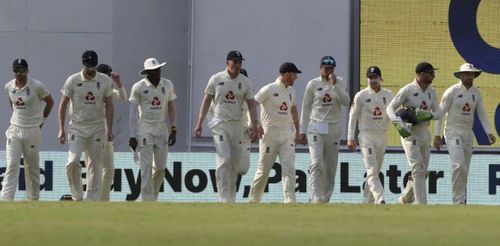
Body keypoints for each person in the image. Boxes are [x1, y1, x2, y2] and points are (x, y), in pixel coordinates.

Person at [194, 51, 258, 203]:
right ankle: (223, 199)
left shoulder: (246, 82)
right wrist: (199, 123)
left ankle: (231, 199)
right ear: (227, 62)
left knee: (234, 164)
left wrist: (254, 126)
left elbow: (251, 106)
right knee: (225, 158)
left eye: (239, 62)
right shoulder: (216, 79)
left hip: (237, 126)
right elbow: (206, 102)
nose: (236, 65)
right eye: (234, 62)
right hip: (221, 124)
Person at [433, 63, 496, 204]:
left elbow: (482, 114)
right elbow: (440, 114)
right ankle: (458, 200)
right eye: (467, 74)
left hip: (468, 133)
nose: (469, 76)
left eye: (471, 74)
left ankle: (462, 199)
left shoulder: (476, 93)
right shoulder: (451, 92)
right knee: (459, 165)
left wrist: (489, 132)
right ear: (460, 75)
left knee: (465, 168)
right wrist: (437, 135)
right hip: (452, 131)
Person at [58, 50, 114, 201]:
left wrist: (109, 129)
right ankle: (77, 196)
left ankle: (92, 200)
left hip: (97, 128)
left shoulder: (105, 81)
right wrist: (61, 130)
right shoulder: (73, 80)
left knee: (95, 166)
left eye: (93, 66)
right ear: (83, 64)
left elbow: (109, 106)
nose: (90, 69)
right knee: (73, 161)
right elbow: (63, 105)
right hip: (77, 127)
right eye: (88, 66)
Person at [386, 62, 442, 204]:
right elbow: (390, 108)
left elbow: (439, 112)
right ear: (421, 74)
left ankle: (404, 198)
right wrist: (397, 123)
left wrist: (427, 115)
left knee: (423, 171)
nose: (434, 75)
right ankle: (421, 203)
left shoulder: (431, 92)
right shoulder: (408, 90)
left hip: (424, 132)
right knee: (418, 167)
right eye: (431, 73)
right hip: (410, 133)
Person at [1, 58, 54, 200]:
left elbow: (50, 102)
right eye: (16, 70)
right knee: (12, 165)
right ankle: (6, 199)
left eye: (21, 70)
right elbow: (12, 105)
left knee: (33, 167)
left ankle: (33, 199)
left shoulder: (37, 86)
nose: (19, 73)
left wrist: (41, 120)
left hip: (32, 131)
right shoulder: (9, 87)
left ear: (27, 71)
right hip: (15, 130)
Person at [299, 56, 350, 203]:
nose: (329, 71)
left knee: (330, 168)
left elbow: (346, 101)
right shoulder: (313, 84)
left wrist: (335, 86)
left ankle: (325, 199)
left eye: (331, 69)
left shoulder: (339, 82)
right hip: (316, 127)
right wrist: (302, 131)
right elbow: (306, 107)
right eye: (326, 68)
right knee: (316, 163)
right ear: (320, 68)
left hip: (333, 128)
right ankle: (315, 197)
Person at [249, 62, 302, 204]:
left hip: (286, 135)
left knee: (289, 168)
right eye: (294, 74)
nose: (296, 77)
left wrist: (297, 131)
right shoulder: (269, 89)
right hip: (269, 135)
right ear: (286, 75)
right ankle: (254, 200)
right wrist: (256, 124)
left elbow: (293, 110)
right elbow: (252, 105)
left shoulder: (291, 91)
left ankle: (290, 200)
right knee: (264, 170)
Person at [129, 58, 177, 201]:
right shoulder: (138, 87)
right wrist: (132, 135)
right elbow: (132, 113)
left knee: (161, 168)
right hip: (145, 127)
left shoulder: (167, 84)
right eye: (154, 70)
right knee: (146, 167)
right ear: (147, 73)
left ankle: (153, 197)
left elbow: (172, 108)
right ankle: (147, 200)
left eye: (158, 69)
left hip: (161, 127)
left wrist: (174, 128)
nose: (157, 72)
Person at [347, 66, 392, 204]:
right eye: (370, 78)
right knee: (371, 169)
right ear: (367, 79)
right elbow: (352, 117)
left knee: (375, 172)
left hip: (382, 135)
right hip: (366, 135)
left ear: (380, 78)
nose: (373, 80)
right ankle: (380, 198)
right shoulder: (361, 96)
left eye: (375, 77)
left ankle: (367, 202)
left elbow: (393, 114)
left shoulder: (388, 94)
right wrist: (350, 137)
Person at [93, 64, 127, 201]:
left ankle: (104, 199)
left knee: (109, 169)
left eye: (108, 76)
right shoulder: (92, 90)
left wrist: (119, 83)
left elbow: (124, 97)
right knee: (94, 168)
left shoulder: (111, 92)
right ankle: (92, 198)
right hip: (93, 131)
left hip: (107, 132)